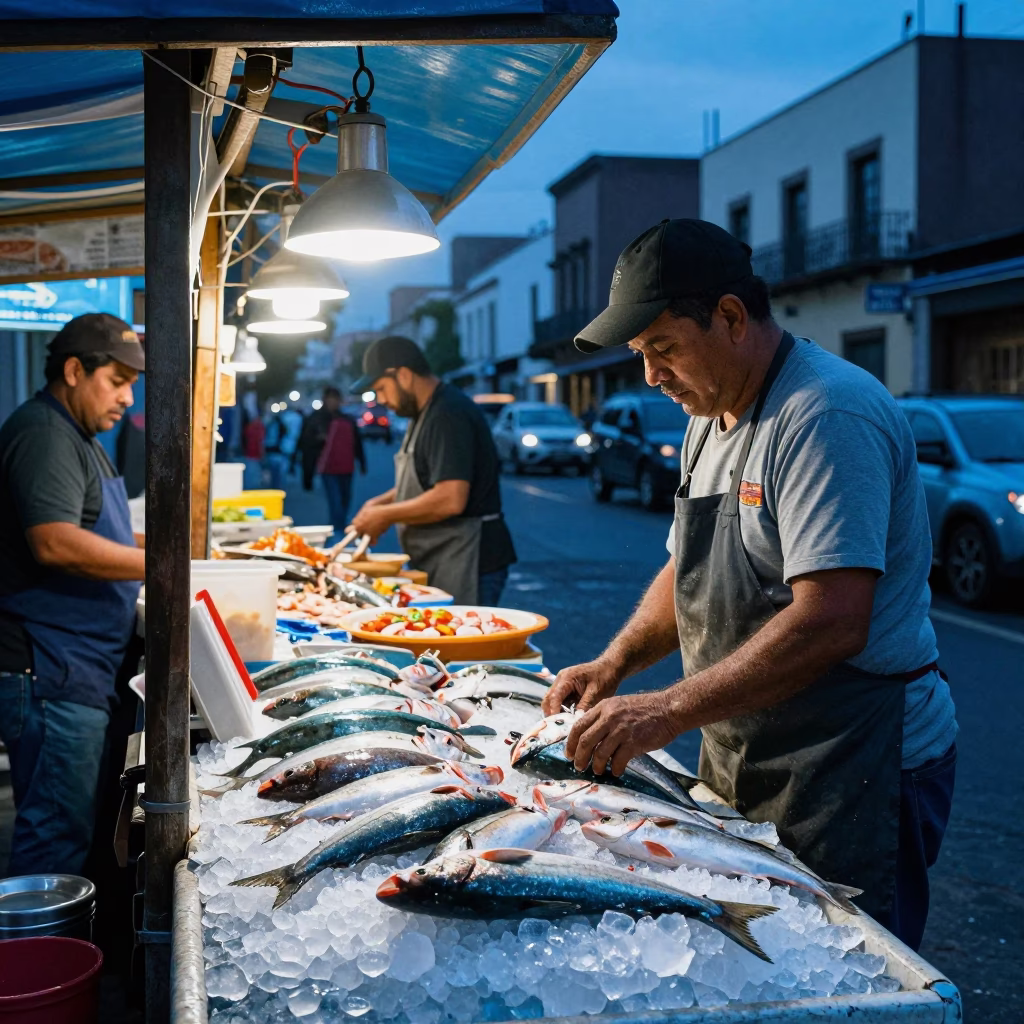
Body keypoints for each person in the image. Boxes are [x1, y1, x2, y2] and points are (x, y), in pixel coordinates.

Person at [542, 219, 957, 950]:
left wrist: (666, 710)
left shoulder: (825, 414)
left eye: (663, 348)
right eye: (641, 355)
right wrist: (616, 666)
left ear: (731, 317)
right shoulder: (709, 416)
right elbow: (689, 569)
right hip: (750, 747)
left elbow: (833, 620)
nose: (651, 376)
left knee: (841, 970)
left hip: (853, 763)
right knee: (753, 955)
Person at [0, 312, 146, 877]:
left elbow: (99, 529)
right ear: (73, 370)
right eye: (117, 381)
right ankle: (35, 964)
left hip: (76, 664)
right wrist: (166, 568)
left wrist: (179, 552)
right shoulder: (43, 433)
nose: (128, 399)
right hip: (49, 667)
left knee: (67, 826)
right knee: (54, 833)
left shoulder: (79, 433)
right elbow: (56, 543)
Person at [350, 336, 516, 605]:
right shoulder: (424, 413)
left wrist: (385, 515)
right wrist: (377, 504)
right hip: (444, 556)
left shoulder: (448, 414)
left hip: (471, 558)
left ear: (403, 375)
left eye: (381, 388)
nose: (380, 399)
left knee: (460, 643)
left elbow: (450, 498)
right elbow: (427, 479)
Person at [317, 397, 366, 542]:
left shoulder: (348, 421)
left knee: (344, 499)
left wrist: (362, 463)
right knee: (335, 501)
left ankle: (340, 527)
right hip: (328, 468)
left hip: (346, 467)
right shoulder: (320, 420)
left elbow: (357, 444)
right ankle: (336, 530)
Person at [298, 387, 342, 491]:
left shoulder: (341, 418)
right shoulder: (315, 417)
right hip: (318, 456)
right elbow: (306, 440)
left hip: (336, 461)